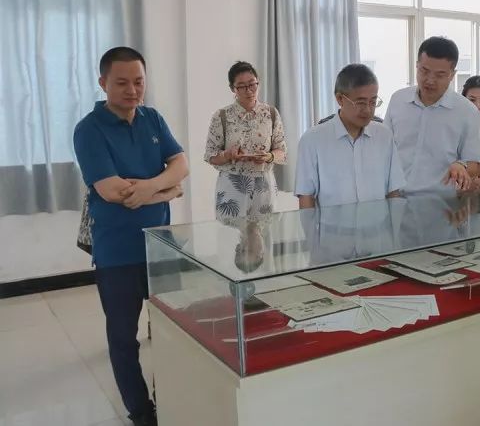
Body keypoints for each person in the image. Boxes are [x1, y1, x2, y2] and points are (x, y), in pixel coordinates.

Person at [73, 46, 189, 426]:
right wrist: (168, 190)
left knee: (173, 330)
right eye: (122, 83)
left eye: (139, 81)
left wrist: (152, 187)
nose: (132, 90)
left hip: (161, 246)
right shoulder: (89, 130)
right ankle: (141, 412)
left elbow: (181, 164)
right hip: (118, 253)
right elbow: (111, 191)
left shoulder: (152, 119)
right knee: (124, 338)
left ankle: (172, 398)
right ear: (103, 82)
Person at [384, 36, 480, 193]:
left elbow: (474, 163)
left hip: (439, 201)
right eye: (424, 71)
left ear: (452, 75)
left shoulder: (467, 111)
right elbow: (384, 148)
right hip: (395, 197)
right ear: (417, 65)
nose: (430, 80)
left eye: (440, 75)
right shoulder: (398, 100)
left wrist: (461, 165)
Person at [295, 63, 405, 208]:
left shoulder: (384, 136)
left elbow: (393, 192)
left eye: (373, 102)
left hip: (378, 223)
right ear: (340, 99)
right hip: (333, 223)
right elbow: (306, 197)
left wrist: (396, 222)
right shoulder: (312, 140)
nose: (367, 110)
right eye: (360, 103)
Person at [204, 61, 287, 222]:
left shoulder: (271, 113)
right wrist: (228, 155)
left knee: (264, 234)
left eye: (252, 84)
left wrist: (269, 156)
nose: (249, 90)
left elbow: (281, 151)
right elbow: (210, 155)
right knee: (231, 234)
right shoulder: (221, 116)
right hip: (232, 185)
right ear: (232, 89)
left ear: (258, 83)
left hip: (264, 185)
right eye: (241, 86)